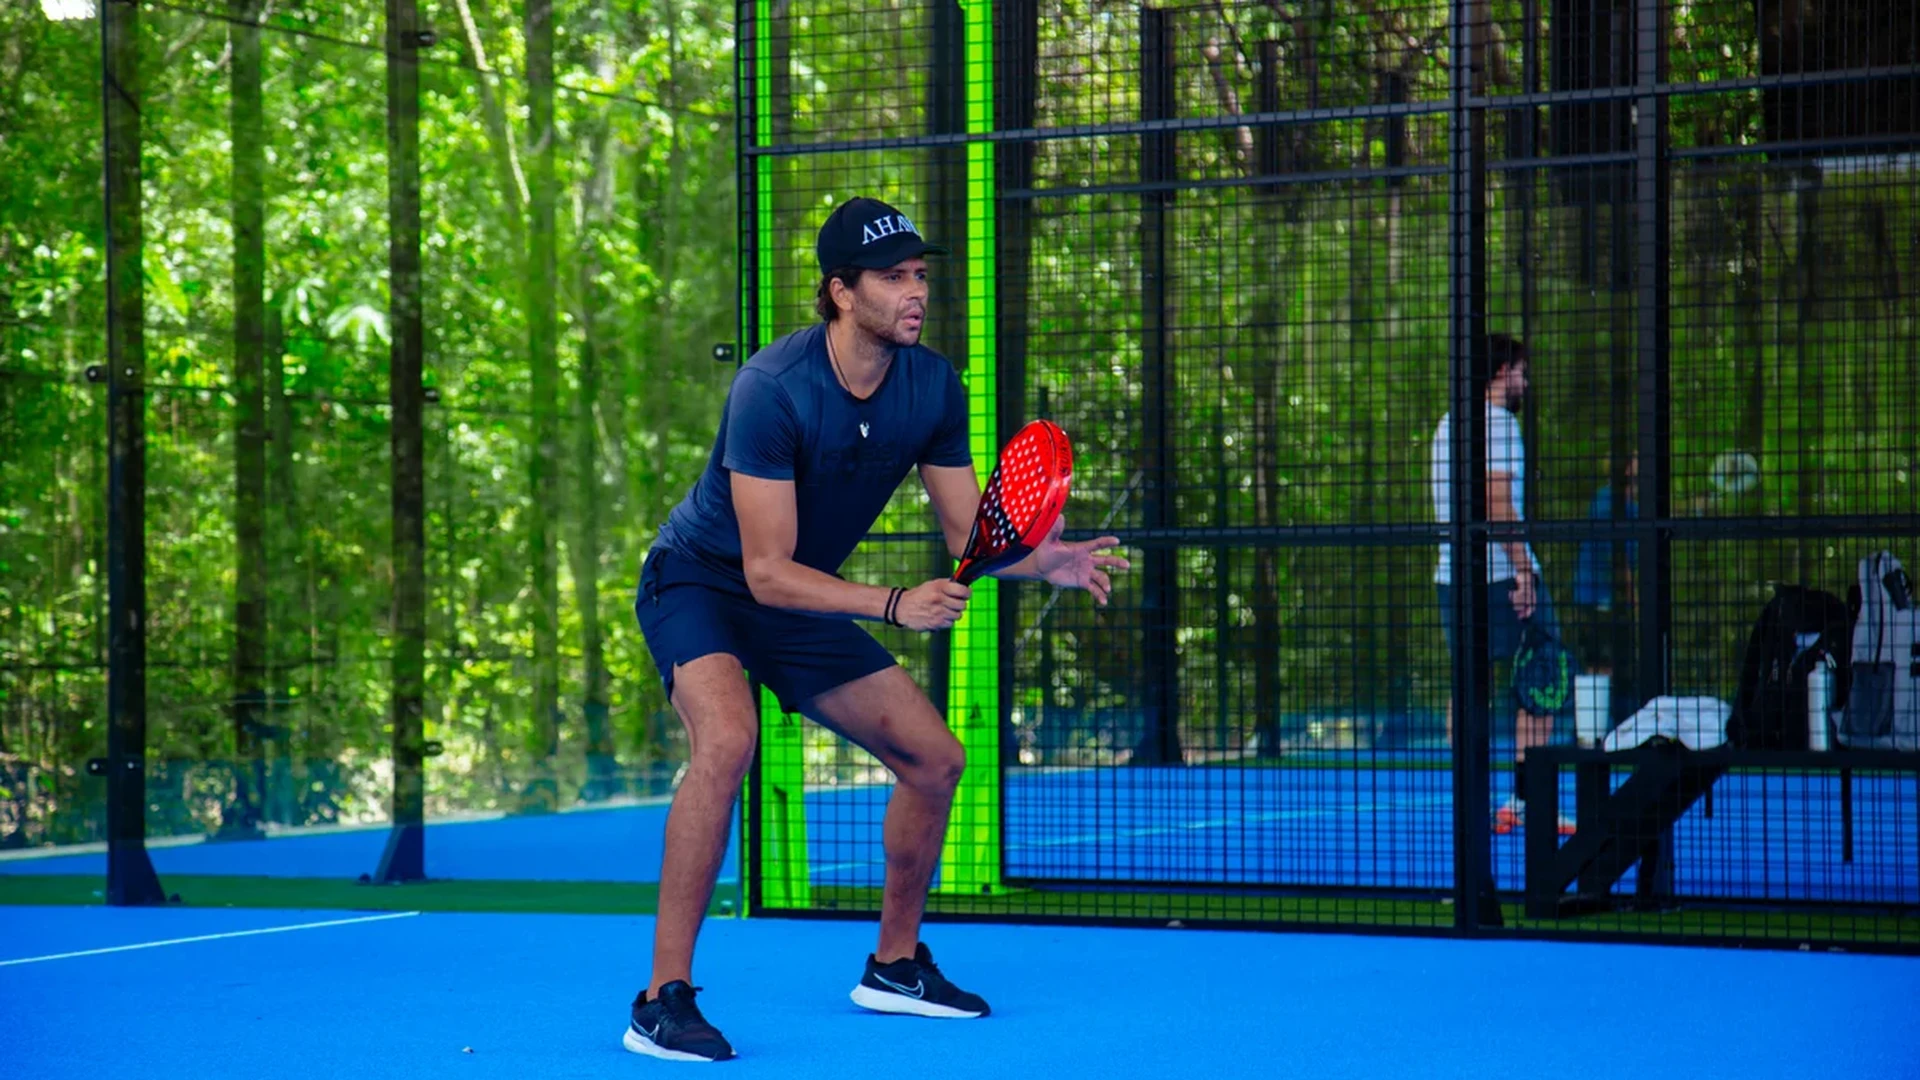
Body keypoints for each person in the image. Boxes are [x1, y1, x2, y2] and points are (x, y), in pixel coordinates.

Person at [626, 197, 1128, 1062]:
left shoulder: (932, 386)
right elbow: (764, 571)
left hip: (804, 598)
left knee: (936, 758)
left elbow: (972, 534)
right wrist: (896, 603)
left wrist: (1048, 561)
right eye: (892, 277)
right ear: (840, 292)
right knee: (728, 739)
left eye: (920, 275)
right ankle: (661, 998)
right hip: (702, 583)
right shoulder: (772, 389)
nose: (914, 292)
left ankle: (895, 966)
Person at [1430, 333, 1571, 836]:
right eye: (1520, 370)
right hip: (1500, 576)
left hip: (1454, 578)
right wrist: (1523, 572)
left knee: (1469, 683)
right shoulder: (1500, 423)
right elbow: (1496, 504)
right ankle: (1526, 800)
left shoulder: (1450, 424)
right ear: (1499, 372)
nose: (1525, 380)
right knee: (1543, 677)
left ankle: (1470, 800)